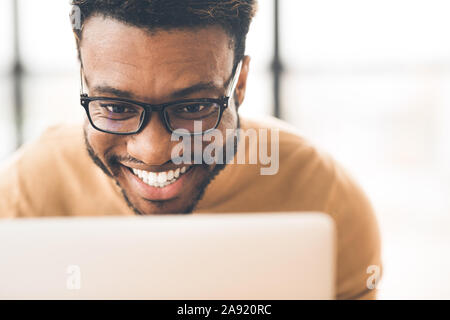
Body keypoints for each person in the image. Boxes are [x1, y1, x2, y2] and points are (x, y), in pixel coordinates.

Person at [0, 0, 381, 299]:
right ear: (84, 79)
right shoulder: (25, 193)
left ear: (241, 84)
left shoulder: (325, 195)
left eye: (194, 108)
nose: (154, 151)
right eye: (116, 107)